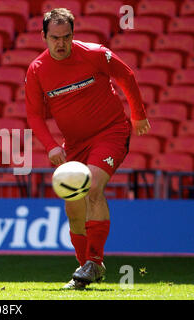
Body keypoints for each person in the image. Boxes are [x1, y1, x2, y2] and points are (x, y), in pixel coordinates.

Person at [25, 8, 151, 289]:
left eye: (66, 37)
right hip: (75, 144)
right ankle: (87, 268)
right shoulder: (37, 70)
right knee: (73, 205)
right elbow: (34, 114)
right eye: (55, 38)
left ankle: (94, 260)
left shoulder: (95, 53)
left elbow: (126, 76)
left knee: (92, 186)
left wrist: (138, 114)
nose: (61, 44)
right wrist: (50, 146)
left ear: (73, 35)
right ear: (43, 36)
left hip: (111, 131)